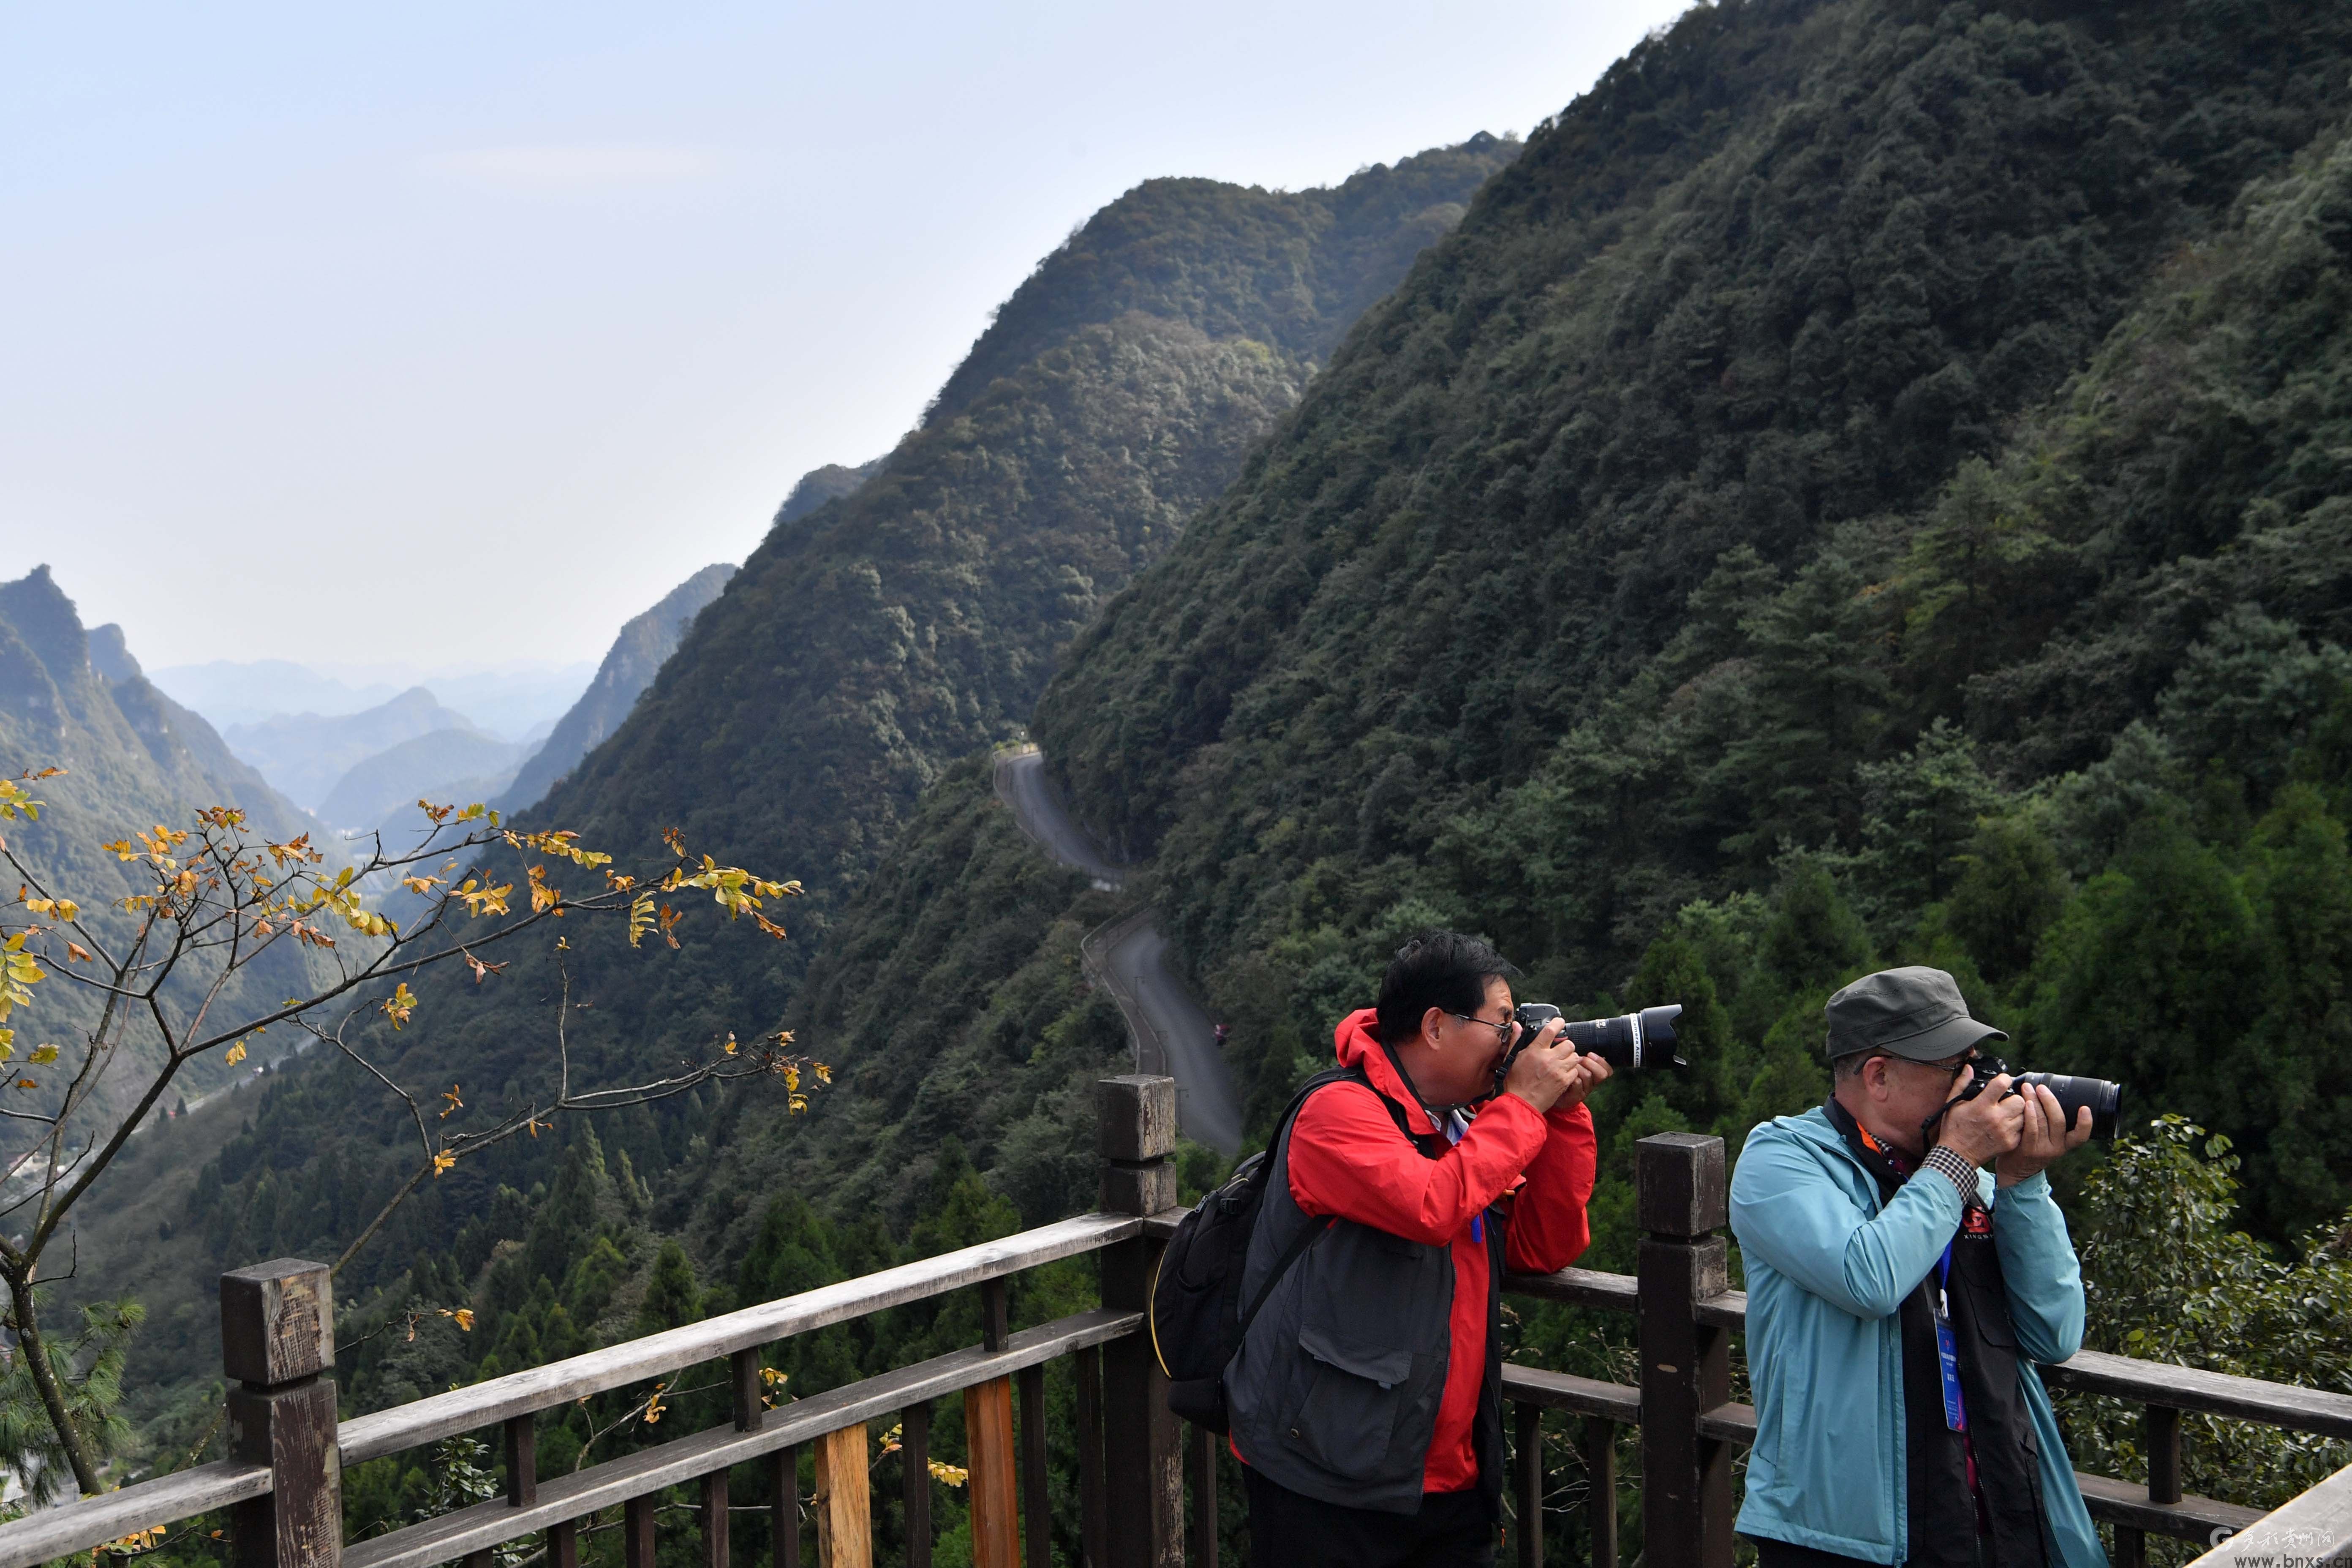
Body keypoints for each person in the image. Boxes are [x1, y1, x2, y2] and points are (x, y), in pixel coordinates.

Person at [1225, 930, 1613, 1568]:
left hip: (1448, 1475)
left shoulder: (1465, 1123)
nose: (1514, 1043)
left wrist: (1561, 1114)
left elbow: (1543, 1248)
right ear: (1436, 1026)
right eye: (1502, 1023)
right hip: (1327, 1473)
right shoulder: (1339, 1114)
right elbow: (1432, 1206)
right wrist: (1520, 1107)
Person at [1730, 966, 2104, 1568]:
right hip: (1848, 1537)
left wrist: (2023, 1184)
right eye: (1955, 1069)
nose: (1978, 1087)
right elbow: (1868, 1277)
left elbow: (2054, 1333)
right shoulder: (1782, 1160)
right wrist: (1958, 1159)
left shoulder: (1965, 1172)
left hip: (1996, 1513)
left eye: (1978, 1066)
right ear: (1878, 1076)